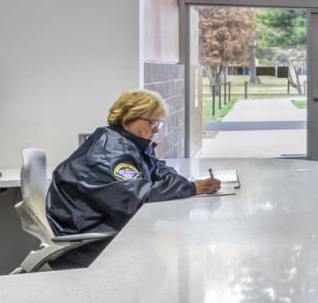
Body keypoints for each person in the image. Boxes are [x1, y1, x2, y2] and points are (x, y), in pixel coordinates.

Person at [45, 90, 220, 267]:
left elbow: (156, 167)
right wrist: (192, 188)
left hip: (104, 226)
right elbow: (142, 197)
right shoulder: (110, 153)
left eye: (158, 122)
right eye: (152, 122)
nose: (157, 129)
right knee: (183, 247)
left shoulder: (126, 142)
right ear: (127, 121)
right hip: (90, 245)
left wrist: (178, 182)